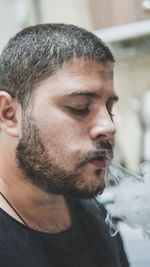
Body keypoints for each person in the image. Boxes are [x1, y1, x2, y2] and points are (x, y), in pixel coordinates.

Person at [0, 23, 129, 266]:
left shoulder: (96, 215)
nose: (109, 127)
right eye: (79, 108)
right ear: (10, 114)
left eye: (109, 109)